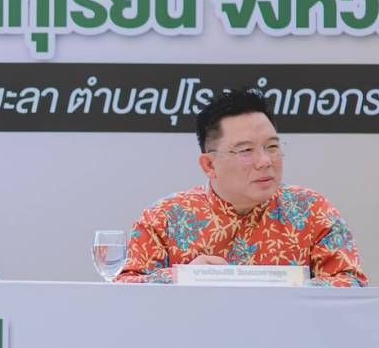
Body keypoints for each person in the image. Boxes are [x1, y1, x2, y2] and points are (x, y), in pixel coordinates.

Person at [117, 88, 366, 286]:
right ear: (209, 165)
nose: (265, 161)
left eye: (272, 146)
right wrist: (183, 278)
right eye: (246, 150)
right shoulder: (164, 218)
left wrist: (280, 288)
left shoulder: (312, 211)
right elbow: (124, 289)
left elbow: (351, 284)